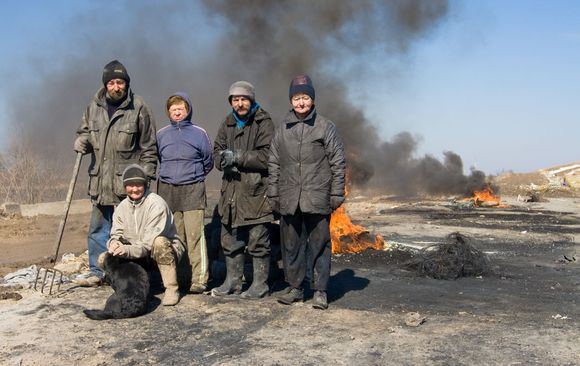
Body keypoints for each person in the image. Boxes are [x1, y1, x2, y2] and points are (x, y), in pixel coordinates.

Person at [73, 60, 158, 286]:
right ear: (106, 85)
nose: (116, 87)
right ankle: (97, 272)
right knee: (98, 229)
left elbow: (149, 147)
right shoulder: (93, 107)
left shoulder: (139, 107)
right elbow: (85, 133)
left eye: (120, 82)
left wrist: (146, 179)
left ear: (126, 84)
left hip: (128, 184)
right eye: (111, 82)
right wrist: (82, 140)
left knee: (130, 232)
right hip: (100, 181)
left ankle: (133, 273)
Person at [268, 75, 346, 310]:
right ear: (291, 100)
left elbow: (338, 162)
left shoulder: (325, 126)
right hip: (289, 197)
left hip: (318, 196)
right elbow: (273, 163)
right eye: (296, 98)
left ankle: (320, 290)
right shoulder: (283, 129)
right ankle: (295, 288)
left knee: (319, 244)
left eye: (305, 97)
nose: (301, 102)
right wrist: (273, 194)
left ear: (312, 99)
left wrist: (336, 193)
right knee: (291, 245)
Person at [211, 81, 275, 299]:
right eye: (235, 100)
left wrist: (236, 156)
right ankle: (232, 282)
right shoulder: (227, 122)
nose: (240, 103)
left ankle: (260, 285)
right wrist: (222, 160)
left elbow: (268, 156)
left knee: (258, 241)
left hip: (255, 192)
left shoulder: (263, 122)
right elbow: (216, 152)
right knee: (230, 241)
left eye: (244, 99)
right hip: (231, 193)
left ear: (251, 100)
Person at [157, 92, 213, 294]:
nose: (177, 111)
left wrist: (194, 175)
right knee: (175, 237)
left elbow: (208, 161)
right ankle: (180, 279)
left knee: (195, 236)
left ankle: (199, 280)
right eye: (173, 109)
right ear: (168, 112)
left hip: (192, 190)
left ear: (188, 110)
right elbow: (158, 159)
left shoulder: (199, 133)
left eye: (180, 108)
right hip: (168, 190)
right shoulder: (161, 134)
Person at [107, 164, 186, 306]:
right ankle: (123, 288)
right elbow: (116, 233)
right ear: (125, 187)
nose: (135, 189)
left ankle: (171, 288)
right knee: (103, 258)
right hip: (138, 251)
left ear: (145, 185)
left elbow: (148, 244)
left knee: (159, 243)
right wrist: (115, 243)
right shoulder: (121, 208)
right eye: (130, 185)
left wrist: (126, 250)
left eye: (139, 185)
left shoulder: (156, 204)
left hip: (160, 251)